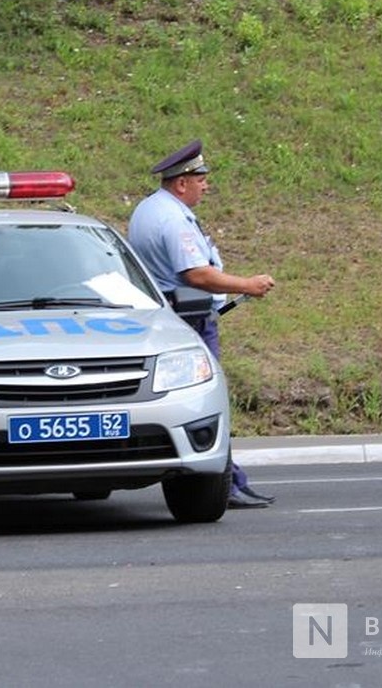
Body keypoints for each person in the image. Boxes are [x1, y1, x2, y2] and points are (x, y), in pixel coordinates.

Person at [128, 138, 276, 509]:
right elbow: (197, 275)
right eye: (201, 179)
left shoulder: (149, 209)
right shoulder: (174, 219)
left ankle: (232, 478)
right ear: (182, 182)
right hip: (190, 320)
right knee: (206, 403)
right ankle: (223, 484)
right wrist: (249, 285)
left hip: (170, 318)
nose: (206, 185)